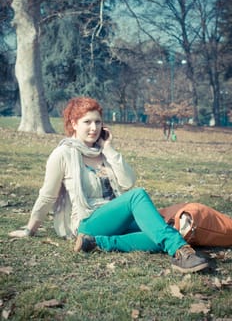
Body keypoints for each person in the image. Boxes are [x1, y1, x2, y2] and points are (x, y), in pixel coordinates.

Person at [9, 97, 208, 274]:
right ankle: (181, 252)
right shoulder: (62, 154)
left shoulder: (103, 152)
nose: (94, 128)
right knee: (139, 198)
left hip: (114, 220)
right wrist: (30, 229)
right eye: (87, 122)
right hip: (87, 222)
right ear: (73, 124)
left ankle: (96, 244)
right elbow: (47, 196)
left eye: (97, 121)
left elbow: (127, 182)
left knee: (159, 232)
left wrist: (109, 149)